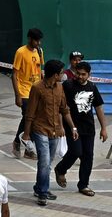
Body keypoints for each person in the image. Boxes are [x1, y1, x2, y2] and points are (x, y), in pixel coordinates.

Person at [21, 59, 78, 207]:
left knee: (48, 163)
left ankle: (39, 187)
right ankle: (43, 193)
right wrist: (26, 134)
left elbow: (64, 110)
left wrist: (72, 127)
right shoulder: (37, 88)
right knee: (45, 162)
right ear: (54, 74)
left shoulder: (60, 87)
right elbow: (30, 112)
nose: (63, 75)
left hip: (55, 130)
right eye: (61, 73)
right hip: (40, 129)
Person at [55, 60, 108, 197]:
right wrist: (61, 125)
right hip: (72, 126)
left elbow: (98, 108)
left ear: (89, 74)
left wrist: (103, 128)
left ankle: (83, 185)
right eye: (78, 73)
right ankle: (60, 169)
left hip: (88, 128)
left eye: (83, 74)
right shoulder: (68, 85)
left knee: (88, 156)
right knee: (76, 151)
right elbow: (61, 107)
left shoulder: (92, 87)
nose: (80, 77)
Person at [12, 27, 44, 158]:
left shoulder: (40, 51)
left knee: (31, 119)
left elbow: (40, 70)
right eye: (36, 40)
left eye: (39, 41)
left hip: (36, 90)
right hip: (24, 90)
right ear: (30, 39)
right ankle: (28, 147)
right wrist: (17, 95)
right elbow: (14, 74)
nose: (38, 43)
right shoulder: (20, 52)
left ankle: (18, 142)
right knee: (28, 116)